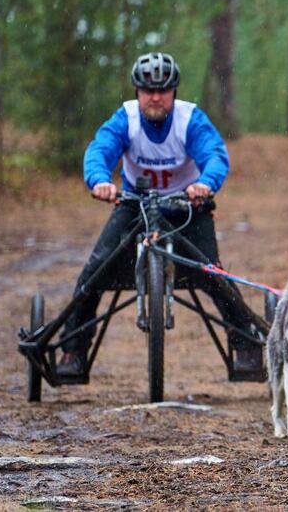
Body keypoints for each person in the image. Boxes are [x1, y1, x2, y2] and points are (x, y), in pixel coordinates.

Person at [57, 52, 266, 381]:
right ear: (138, 91)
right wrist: (99, 180)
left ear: (174, 92)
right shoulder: (125, 119)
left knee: (212, 272)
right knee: (95, 270)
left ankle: (247, 344)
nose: (155, 97)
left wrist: (204, 184)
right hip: (133, 204)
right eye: (148, 90)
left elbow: (214, 154)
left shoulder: (190, 120)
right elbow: (100, 149)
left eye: (163, 90)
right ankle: (73, 349)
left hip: (187, 206)